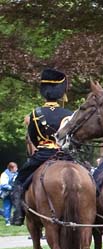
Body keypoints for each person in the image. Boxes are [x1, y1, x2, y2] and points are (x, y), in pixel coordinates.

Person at [11, 69, 73, 226]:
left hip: (43, 153)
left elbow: (32, 137)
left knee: (19, 180)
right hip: (65, 155)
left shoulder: (35, 113)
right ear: (60, 92)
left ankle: (18, 214)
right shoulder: (69, 113)